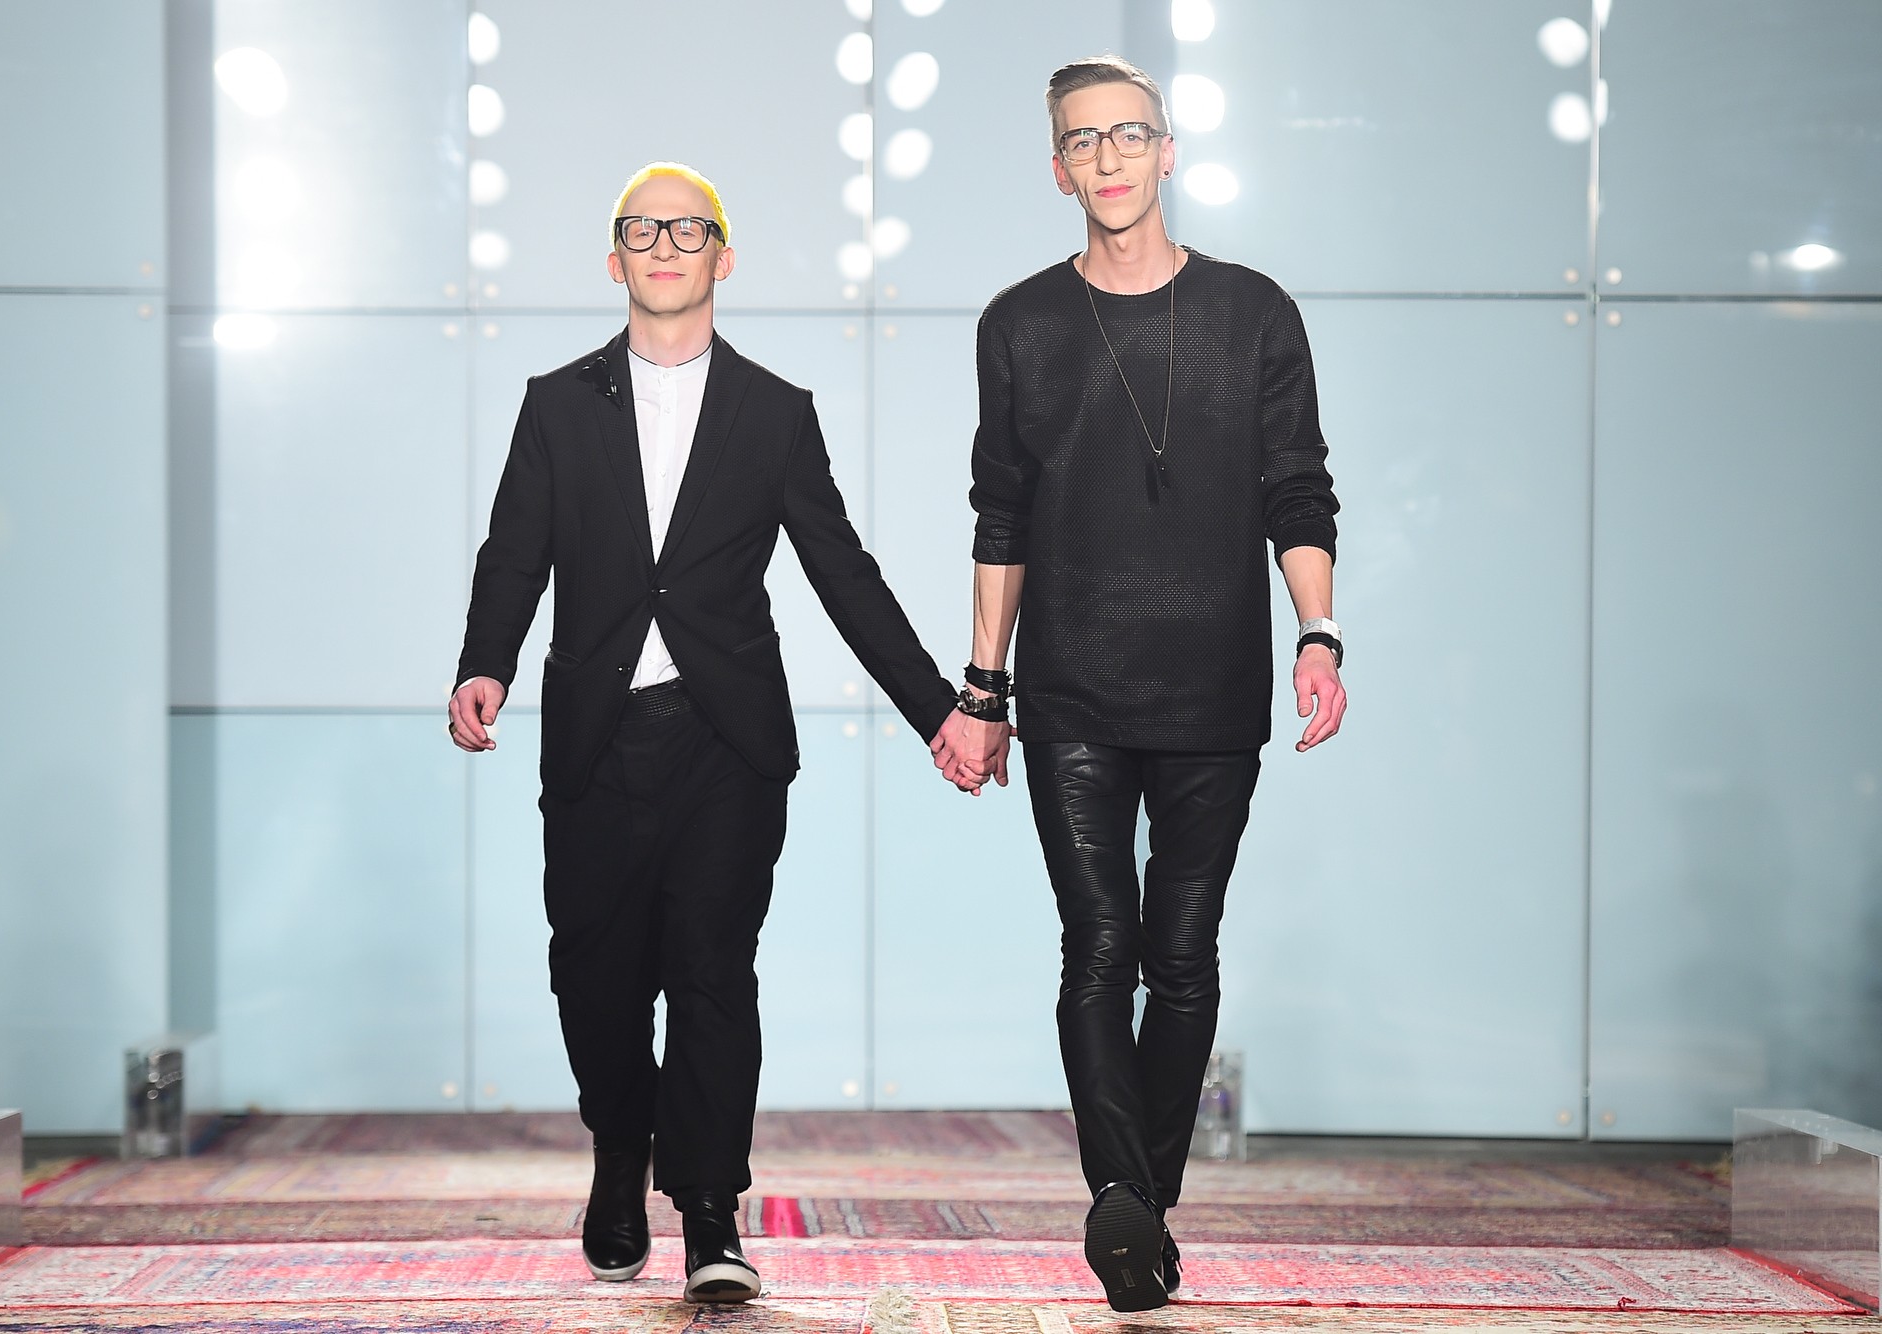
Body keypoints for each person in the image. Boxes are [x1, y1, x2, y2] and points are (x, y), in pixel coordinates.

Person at [449, 162, 982, 1303]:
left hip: (725, 743)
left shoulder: (773, 412)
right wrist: (484, 661)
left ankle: (707, 1211)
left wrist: (938, 707)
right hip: (596, 736)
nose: (664, 245)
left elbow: (841, 571)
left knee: (711, 974)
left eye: (687, 229)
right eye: (641, 230)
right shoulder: (556, 403)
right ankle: (618, 1144)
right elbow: (514, 550)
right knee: (593, 976)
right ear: (614, 260)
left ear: (722, 257)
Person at [931, 56, 1348, 1312]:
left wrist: (1318, 632)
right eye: (1082, 140)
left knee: (1181, 952)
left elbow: (1296, 487)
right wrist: (983, 689)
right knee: (1097, 941)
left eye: (1126, 135)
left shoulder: (1253, 312)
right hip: (1072, 686)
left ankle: (1135, 1209)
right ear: (1057, 168)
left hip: (1213, 684)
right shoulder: (1019, 324)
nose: (1106, 157)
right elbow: (998, 515)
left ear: (1166, 151)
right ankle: (1122, 1192)